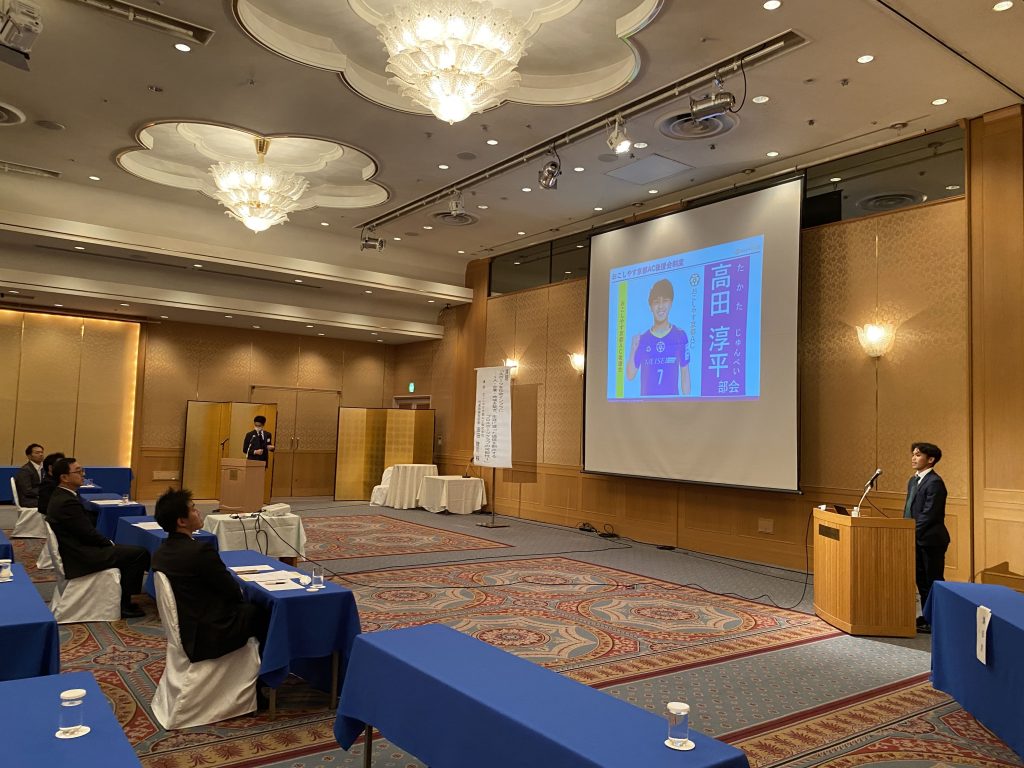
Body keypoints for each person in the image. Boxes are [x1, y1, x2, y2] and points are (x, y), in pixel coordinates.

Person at [151, 488, 268, 662]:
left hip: (186, 626)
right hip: (208, 634)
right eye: (193, 509)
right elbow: (233, 592)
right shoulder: (200, 551)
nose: (198, 512)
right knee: (261, 611)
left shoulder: (161, 551)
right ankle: (267, 671)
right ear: (182, 521)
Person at [45, 457, 150, 618]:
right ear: (64, 477)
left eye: (82, 470)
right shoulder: (66, 502)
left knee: (128, 551)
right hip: (80, 556)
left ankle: (125, 596)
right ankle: (124, 604)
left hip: (74, 549)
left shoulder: (62, 495)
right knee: (138, 554)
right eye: (78, 471)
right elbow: (88, 534)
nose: (83, 474)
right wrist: (109, 543)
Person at [904, 442, 950, 634]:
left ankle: (937, 619)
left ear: (930, 459)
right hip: (916, 538)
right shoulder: (913, 481)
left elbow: (929, 515)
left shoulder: (935, 483)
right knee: (921, 581)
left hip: (931, 541)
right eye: (913, 454)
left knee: (932, 580)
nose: (913, 458)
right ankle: (927, 616)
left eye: (918, 455)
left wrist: (909, 532)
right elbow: (909, 509)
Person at [626, 278, 691, 397]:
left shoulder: (680, 335)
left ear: (671, 303)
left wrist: (686, 403)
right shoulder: (643, 339)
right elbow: (630, 376)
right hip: (646, 405)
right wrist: (633, 349)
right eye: (656, 302)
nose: (660, 306)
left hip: (672, 405)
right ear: (650, 306)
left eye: (665, 301)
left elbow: (685, 372)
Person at [36, 451, 66, 518]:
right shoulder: (48, 484)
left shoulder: (58, 481)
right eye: (61, 465)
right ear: (50, 468)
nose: (65, 468)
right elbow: (44, 508)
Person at [14, 443, 44, 507]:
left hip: (39, 497)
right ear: (29, 456)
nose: (41, 454)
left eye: (41, 452)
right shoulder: (25, 470)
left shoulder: (44, 468)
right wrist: (45, 491)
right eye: (37, 453)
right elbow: (28, 491)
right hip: (28, 500)